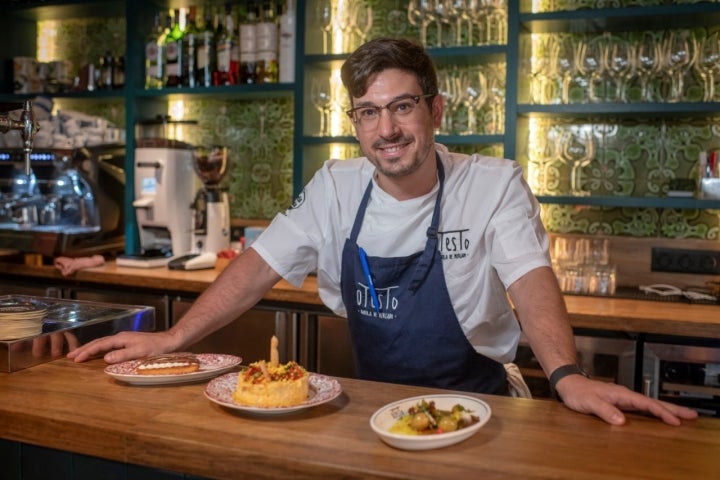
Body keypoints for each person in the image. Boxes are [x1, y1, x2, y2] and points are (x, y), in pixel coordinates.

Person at [69, 37, 697, 427]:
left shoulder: (493, 183)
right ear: (355, 122)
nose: (386, 129)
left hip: (483, 409)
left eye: (401, 106)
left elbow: (531, 278)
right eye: (368, 113)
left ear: (435, 110)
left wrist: (565, 375)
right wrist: (173, 336)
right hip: (369, 410)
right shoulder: (336, 186)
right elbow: (258, 264)